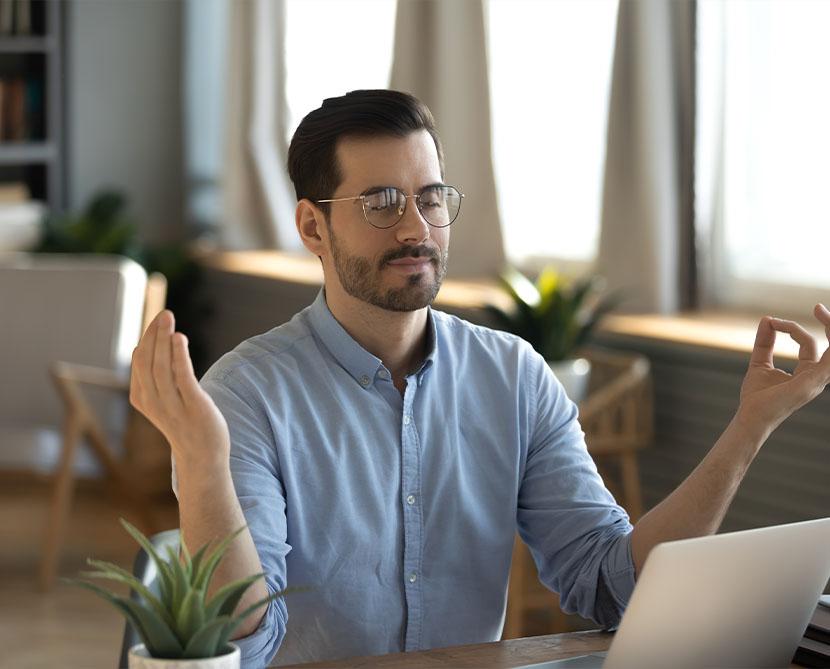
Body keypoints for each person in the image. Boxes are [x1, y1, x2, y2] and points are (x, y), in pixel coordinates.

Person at [129, 89, 830, 668]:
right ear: (313, 228)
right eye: (380, 202)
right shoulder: (247, 393)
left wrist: (751, 425)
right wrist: (201, 463)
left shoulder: (514, 376)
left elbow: (614, 584)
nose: (416, 228)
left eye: (430, 198)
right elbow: (242, 646)